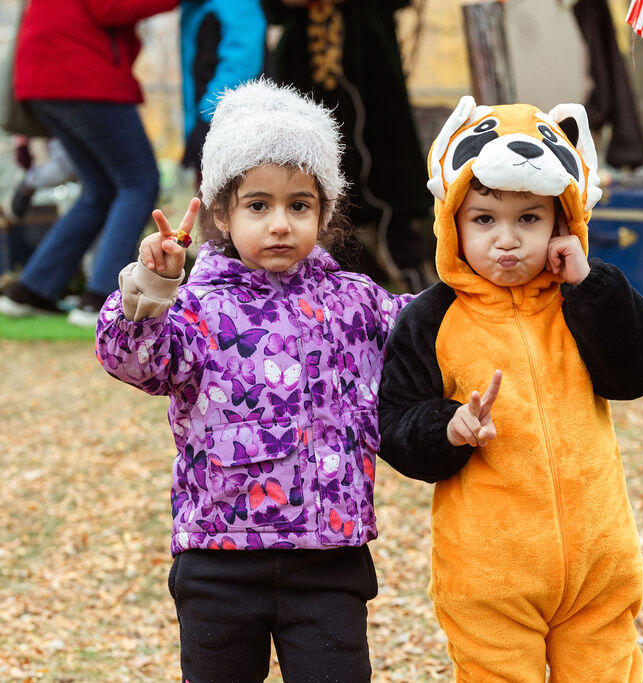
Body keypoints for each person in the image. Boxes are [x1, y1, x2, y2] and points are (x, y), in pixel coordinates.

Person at [95, 79, 412, 681]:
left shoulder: (356, 302)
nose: (280, 224)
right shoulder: (195, 307)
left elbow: (427, 330)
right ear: (222, 212)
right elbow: (133, 359)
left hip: (329, 555)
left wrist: (490, 278)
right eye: (258, 205)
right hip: (219, 558)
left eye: (299, 205)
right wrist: (152, 288)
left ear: (324, 211)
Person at [377, 96, 643, 680]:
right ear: (453, 222)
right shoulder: (432, 319)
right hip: (490, 575)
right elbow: (392, 423)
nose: (506, 240)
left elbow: (637, 373)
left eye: (529, 219)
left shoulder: (580, 299)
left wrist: (590, 284)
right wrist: (448, 426)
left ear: (562, 222)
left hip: (597, 564)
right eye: (484, 219)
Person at [0, 0, 177, 328]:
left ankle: (31, 289)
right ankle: (100, 297)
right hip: (80, 74)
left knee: (100, 189)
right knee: (139, 181)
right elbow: (109, 8)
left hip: (44, 78)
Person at [262, 0, 436, 292]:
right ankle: (339, 289)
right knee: (318, 183)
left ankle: (414, 287)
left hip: (370, 68)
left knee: (389, 181)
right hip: (304, 72)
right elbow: (272, 9)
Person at [179, 0, 266, 184]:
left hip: (233, 125)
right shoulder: (193, 7)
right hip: (205, 120)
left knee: (236, 199)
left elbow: (241, 64)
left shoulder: (237, 5)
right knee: (208, 202)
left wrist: (207, 117)